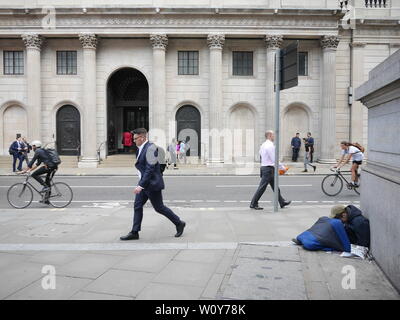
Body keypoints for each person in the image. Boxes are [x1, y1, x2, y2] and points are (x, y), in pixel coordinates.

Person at [120, 128, 186, 241]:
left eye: (135, 139)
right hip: (144, 183)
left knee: (159, 208)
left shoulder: (150, 148)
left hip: (151, 184)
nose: (133, 141)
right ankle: (135, 232)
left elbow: (149, 169)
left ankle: (179, 223)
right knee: (137, 206)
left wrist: (141, 185)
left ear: (142, 138)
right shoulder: (140, 148)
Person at [250, 130, 291, 210]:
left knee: (275, 187)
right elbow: (274, 159)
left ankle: (282, 202)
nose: (274, 136)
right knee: (262, 187)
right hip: (268, 169)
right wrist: (282, 168)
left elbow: (261, 155)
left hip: (266, 168)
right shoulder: (269, 146)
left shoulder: (263, 145)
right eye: (273, 135)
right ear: (269, 135)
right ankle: (253, 203)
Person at [20, 140, 59, 204]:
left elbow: (32, 161)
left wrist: (25, 170)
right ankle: (46, 200)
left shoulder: (38, 151)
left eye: (33, 146)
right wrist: (29, 170)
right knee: (47, 182)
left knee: (34, 175)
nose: (32, 148)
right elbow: (37, 164)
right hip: (53, 167)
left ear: (35, 146)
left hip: (49, 167)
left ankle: (45, 187)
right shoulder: (41, 151)